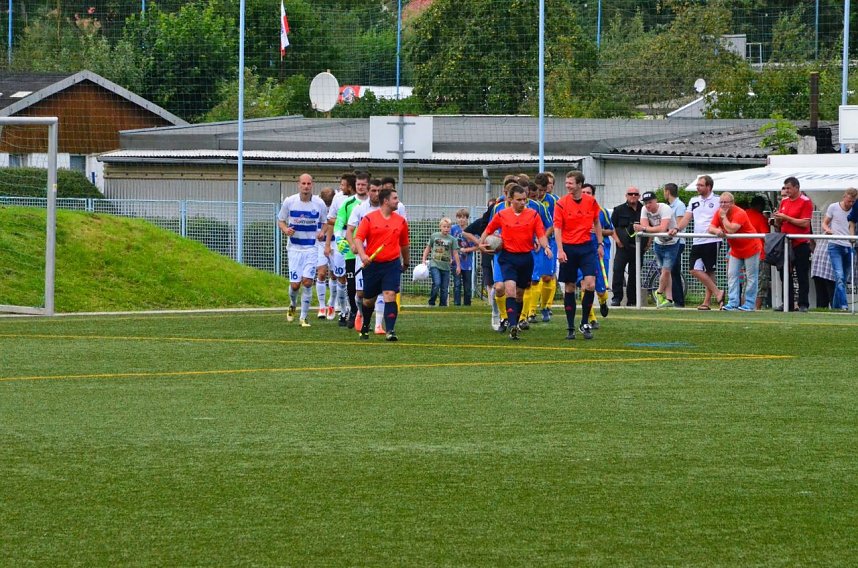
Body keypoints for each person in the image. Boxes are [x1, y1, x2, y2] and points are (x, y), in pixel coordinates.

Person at [479, 185, 552, 340]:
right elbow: (488, 230)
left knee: (519, 294)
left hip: (526, 258)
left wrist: (546, 247)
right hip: (508, 257)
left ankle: (516, 321)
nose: (523, 202)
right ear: (510, 199)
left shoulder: (533, 215)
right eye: (519, 200)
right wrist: (481, 243)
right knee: (510, 290)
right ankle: (512, 326)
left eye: (525, 199)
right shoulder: (502, 214)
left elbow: (540, 234)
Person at [352, 188, 410, 341]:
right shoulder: (369, 219)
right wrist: (363, 255)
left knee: (390, 294)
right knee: (368, 300)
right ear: (386, 201)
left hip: (391, 264)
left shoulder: (401, 221)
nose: (397, 201)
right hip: (372, 265)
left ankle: (390, 330)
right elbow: (358, 238)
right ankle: (365, 324)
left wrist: (406, 261)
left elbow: (404, 244)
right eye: (395, 198)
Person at [554, 170, 604, 340]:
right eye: (566, 183)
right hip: (568, 248)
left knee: (590, 284)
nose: (567, 185)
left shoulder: (591, 202)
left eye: (570, 183)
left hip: (586, 248)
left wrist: (599, 243)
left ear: (579, 185)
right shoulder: (561, 203)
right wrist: (560, 250)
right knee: (569, 287)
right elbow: (557, 229)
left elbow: (597, 222)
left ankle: (584, 323)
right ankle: (570, 327)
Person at [277, 173, 328, 327]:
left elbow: (325, 222)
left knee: (307, 282)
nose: (306, 186)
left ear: (312, 185)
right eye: (303, 183)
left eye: (309, 184)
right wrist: (286, 229)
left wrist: (322, 233)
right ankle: (292, 304)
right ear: (298, 185)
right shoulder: (289, 202)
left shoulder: (319, 203)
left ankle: (304, 317)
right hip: (294, 248)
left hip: (311, 248)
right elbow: (280, 220)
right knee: (294, 285)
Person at [670, 175, 724, 311]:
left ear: (709, 187)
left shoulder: (718, 200)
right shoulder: (694, 201)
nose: (698, 187)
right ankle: (718, 292)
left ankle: (707, 302)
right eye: (697, 185)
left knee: (710, 270)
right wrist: (677, 228)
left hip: (712, 239)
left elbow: (725, 216)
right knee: (694, 269)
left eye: (701, 185)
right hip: (697, 240)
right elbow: (686, 219)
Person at [707, 192, 762, 311]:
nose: (722, 205)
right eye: (721, 202)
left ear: (732, 203)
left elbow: (731, 230)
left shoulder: (740, 213)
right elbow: (710, 228)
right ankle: (733, 303)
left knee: (751, 277)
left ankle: (749, 304)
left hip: (751, 247)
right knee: (732, 275)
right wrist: (717, 231)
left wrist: (723, 217)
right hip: (736, 249)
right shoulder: (719, 212)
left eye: (725, 202)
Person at [333, 171, 369, 327]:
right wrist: (340, 240)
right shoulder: (347, 203)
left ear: (368, 186)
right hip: (351, 250)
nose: (360, 187)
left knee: (369, 284)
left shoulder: (374, 203)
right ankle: (353, 312)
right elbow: (338, 225)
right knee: (352, 283)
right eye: (358, 185)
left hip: (369, 251)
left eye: (363, 185)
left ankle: (368, 313)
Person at [772, 176, 813, 312]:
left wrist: (786, 218)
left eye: (789, 188)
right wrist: (777, 220)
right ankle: (787, 303)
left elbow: (805, 223)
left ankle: (803, 304)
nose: (787, 191)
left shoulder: (806, 202)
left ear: (797, 187)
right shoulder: (784, 202)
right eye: (785, 188)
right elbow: (781, 223)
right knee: (785, 274)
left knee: (801, 274)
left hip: (800, 243)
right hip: (785, 242)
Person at [634, 191, 678, 308]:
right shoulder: (644, 209)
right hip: (658, 243)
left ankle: (658, 292)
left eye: (650, 202)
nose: (648, 205)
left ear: (656, 201)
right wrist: (645, 228)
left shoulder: (665, 208)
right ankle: (669, 299)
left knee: (666, 270)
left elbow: (662, 228)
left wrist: (644, 228)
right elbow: (645, 229)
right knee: (663, 271)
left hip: (671, 242)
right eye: (645, 203)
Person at [578, 183, 614, 327]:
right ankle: (591, 318)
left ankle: (603, 300)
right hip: (582, 252)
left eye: (589, 193)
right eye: (583, 192)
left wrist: (597, 231)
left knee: (600, 287)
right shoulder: (575, 210)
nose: (586, 195)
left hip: (599, 251)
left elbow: (610, 231)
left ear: (593, 195)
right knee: (584, 284)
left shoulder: (602, 211)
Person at [325, 173, 356, 326]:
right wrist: (343, 221)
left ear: (350, 187)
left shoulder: (359, 200)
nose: (340, 187)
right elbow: (330, 219)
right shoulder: (338, 199)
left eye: (343, 185)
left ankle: (354, 310)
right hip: (341, 240)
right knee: (340, 276)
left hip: (356, 240)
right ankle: (343, 311)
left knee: (355, 278)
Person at [464, 199, 499, 328]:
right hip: (487, 254)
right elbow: (466, 232)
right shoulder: (482, 223)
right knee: (489, 281)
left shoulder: (502, 220)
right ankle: (492, 305)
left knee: (500, 283)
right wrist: (479, 242)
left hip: (500, 254)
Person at [822, 188, 857, 310]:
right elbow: (825, 222)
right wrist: (828, 230)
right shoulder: (833, 207)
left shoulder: (855, 210)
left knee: (843, 278)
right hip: (835, 244)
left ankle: (836, 306)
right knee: (840, 276)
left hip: (849, 246)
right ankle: (843, 305)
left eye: (853, 201)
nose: (850, 204)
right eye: (849, 201)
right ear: (844, 197)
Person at [610, 186, 645, 307]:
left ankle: (632, 300)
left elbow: (649, 226)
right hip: (622, 247)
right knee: (618, 271)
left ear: (639, 196)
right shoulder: (619, 210)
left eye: (636, 194)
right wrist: (618, 241)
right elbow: (611, 227)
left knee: (635, 274)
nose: (633, 196)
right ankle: (616, 298)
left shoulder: (644, 209)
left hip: (639, 247)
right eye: (630, 194)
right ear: (626, 195)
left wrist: (648, 244)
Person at [535, 173, 559, 321]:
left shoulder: (554, 201)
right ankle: (530, 311)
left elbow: (555, 222)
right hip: (531, 242)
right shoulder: (529, 201)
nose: (542, 192)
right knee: (533, 277)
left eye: (549, 185)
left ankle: (546, 306)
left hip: (549, 241)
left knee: (548, 276)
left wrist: (543, 237)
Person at [422, 217, 461, 307]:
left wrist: (458, 266)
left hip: (446, 266)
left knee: (444, 288)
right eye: (444, 226)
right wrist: (424, 258)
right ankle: (431, 302)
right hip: (435, 264)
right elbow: (428, 248)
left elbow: (455, 253)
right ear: (440, 227)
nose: (446, 229)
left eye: (448, 227)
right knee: (437, 283)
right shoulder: (434, 236)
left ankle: (442, 305)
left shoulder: (452, 239)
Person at [745, 195, 771, 310]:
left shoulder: (744, 215)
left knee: (747, 282)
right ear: (760, 206)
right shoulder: (761, 218)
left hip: (744, 254)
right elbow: (766, 236)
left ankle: (744, 305)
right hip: (759, 254)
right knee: (761, 282)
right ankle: (756, 307)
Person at [663, 183, 686, 307]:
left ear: (667, 192)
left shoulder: (679, 205)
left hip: (677, 242)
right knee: (670, 270)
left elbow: (679, 223)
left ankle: (678, 300)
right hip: (670, 241)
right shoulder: (669, 206)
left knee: (673, 270)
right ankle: (671, 298)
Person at [315, 186, 336, 320]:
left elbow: (332, 225)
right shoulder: (316, 205)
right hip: (320, 243)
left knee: (335, 275)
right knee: (321, 273)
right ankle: (322, 306)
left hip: (336, 243)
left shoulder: (338, 204)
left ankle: (332, 304)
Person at [451, 208, 475, 306]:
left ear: (467, 219)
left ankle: (467, 304)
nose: (461, 220)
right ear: (456, 219)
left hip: (467, 263)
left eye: (464, 217)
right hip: (456, 262)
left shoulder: (471, 230)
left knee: (467, 286)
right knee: (457, 285)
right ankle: (457, 304)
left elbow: (477, 246)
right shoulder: (453, 229)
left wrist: (466, 250)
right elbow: (449, 242)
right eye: (459, 217)